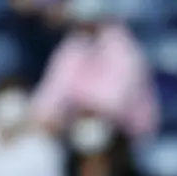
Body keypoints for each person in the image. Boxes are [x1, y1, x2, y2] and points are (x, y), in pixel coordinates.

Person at [32, 0, 159, 142]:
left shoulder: (124, 47)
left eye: (90, 19)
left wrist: (76, 113)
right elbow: (53, 88)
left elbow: (114, 100)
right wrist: (45, 114)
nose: (86, 25)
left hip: (125, 133)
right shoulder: (71, 46)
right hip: (76, 126)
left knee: (93, 133)